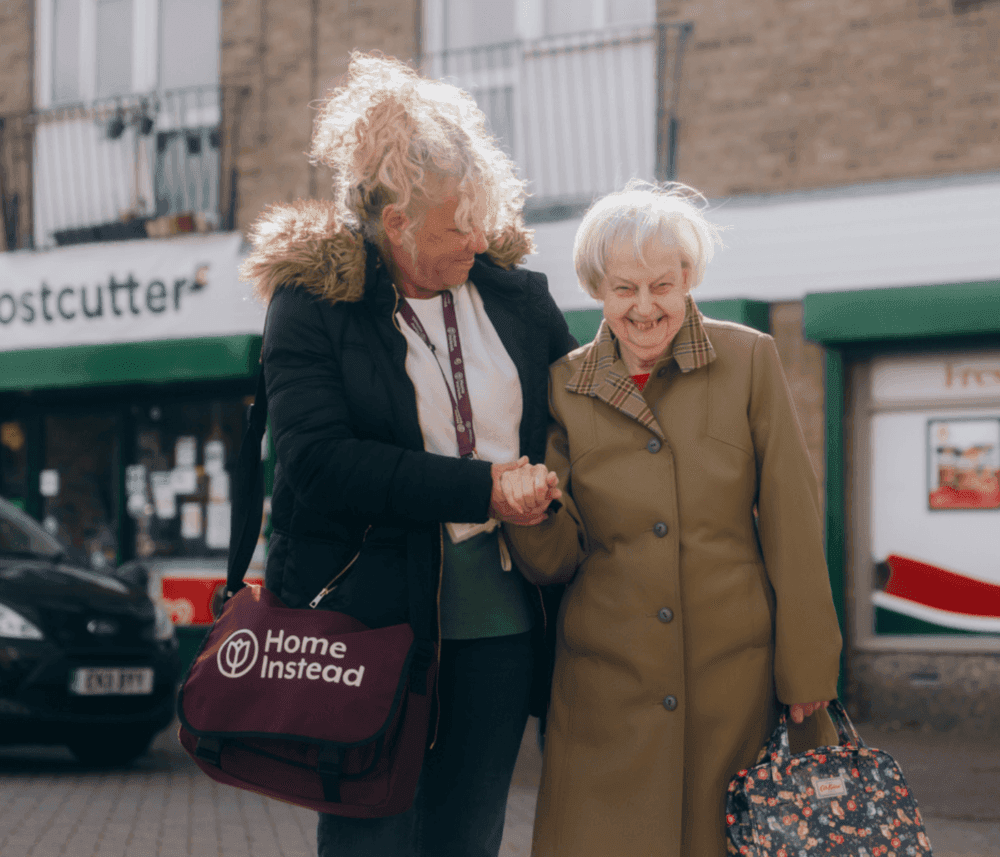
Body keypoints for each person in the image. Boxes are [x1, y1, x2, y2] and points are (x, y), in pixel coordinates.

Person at [239, 52, 575, 857]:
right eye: (456, 224)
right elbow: (318, 463)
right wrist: (483, 489)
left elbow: (580, 420)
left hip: (500, 626)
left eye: (481, 216)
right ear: (396, 225)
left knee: (468, 839)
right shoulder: (315, 307)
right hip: (367, 626)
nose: (476, 237)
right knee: (371, 841)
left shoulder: (515, 298)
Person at [501, 181, 843, 857]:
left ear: (688, 277)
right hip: (605, 685)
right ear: (597, 287)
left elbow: (791, 516)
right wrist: (529, 513)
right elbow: (556, 559)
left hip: (733, 682)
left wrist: (807, 668)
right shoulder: (564, 383)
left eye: (662, 284)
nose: (645, 306)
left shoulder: (749, 359)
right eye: (624, 288)